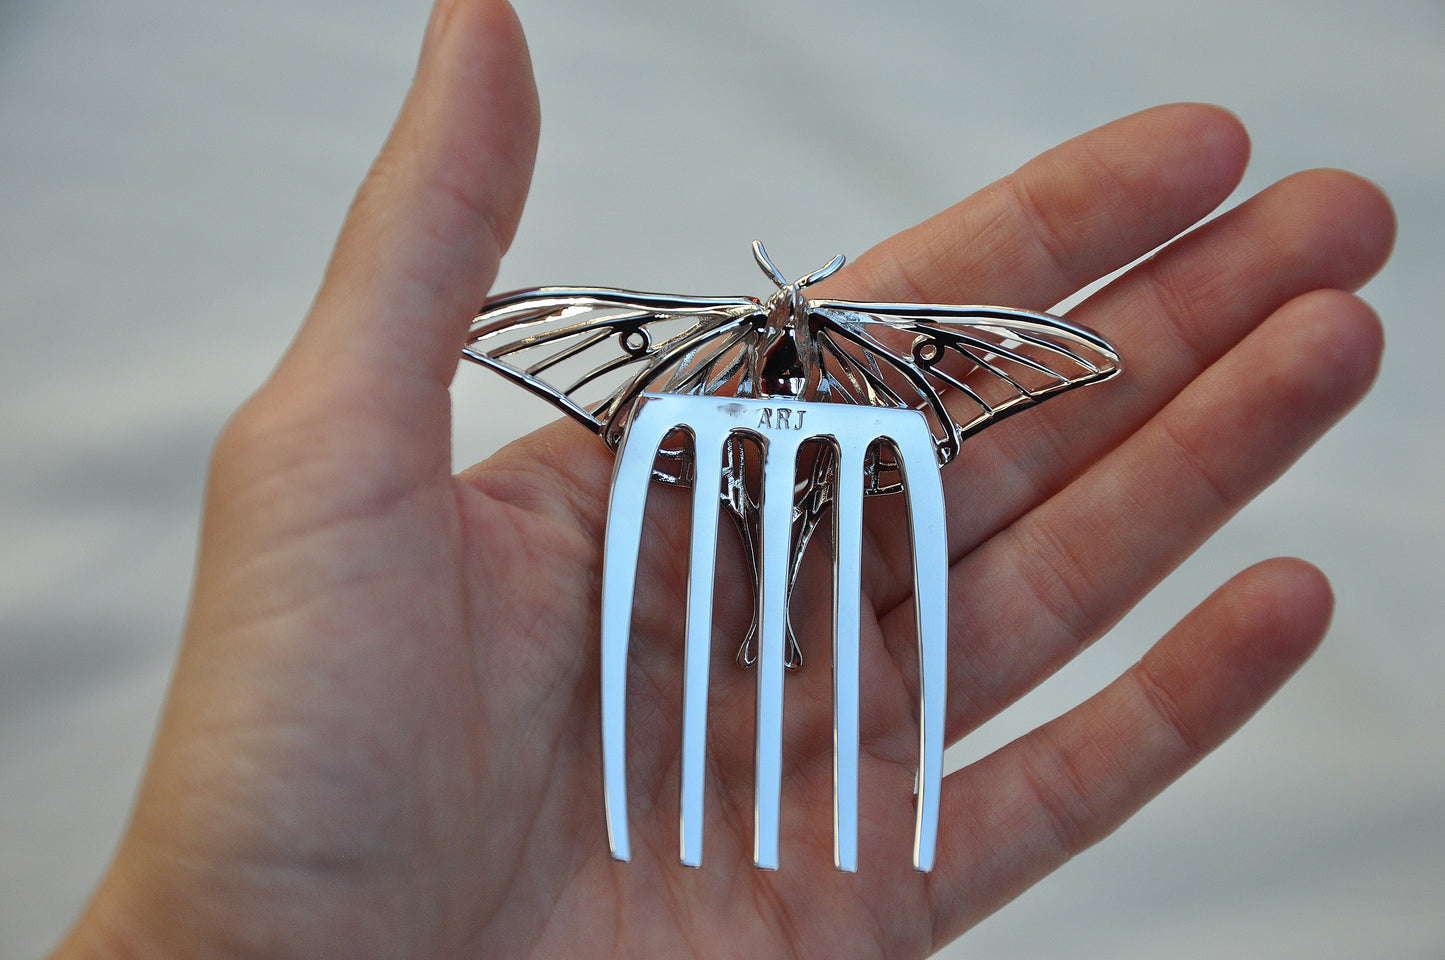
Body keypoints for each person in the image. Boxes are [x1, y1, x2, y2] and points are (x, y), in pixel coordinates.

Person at [47, 1, 1394, 957]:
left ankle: (775, 613)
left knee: (794, 523)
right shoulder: (701, 373)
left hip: (806, 452)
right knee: (770, 521)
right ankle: (770, 610)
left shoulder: (875, 373)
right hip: (735, 448)